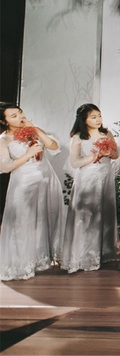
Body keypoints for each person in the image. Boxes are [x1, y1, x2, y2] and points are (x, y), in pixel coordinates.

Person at [0, 102, 65, 281]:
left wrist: (36, 130)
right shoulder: (3, 139)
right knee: (23, 221)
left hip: (47, 179)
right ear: (4, 121)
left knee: (46, 218)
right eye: (13, 116)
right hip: (24, 183)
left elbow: (53, 147)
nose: (20, 117)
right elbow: (6, 167)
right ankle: (22, 262)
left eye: (20, 112)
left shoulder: (33, 130)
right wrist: (29, 153)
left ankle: (41, 258)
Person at [61, 104, 120, 273]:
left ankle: (103, 252)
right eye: (93, 117)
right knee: (87, 215)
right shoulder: (78, 137)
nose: (98, 119)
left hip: (105, 176)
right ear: (84, 119)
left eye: (99, 115)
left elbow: (116, 154)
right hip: (88, 177)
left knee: (104, 213)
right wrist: (95, 156)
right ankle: (85, 255)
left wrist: (109, 153)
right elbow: (75, 162)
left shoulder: (106, 133)